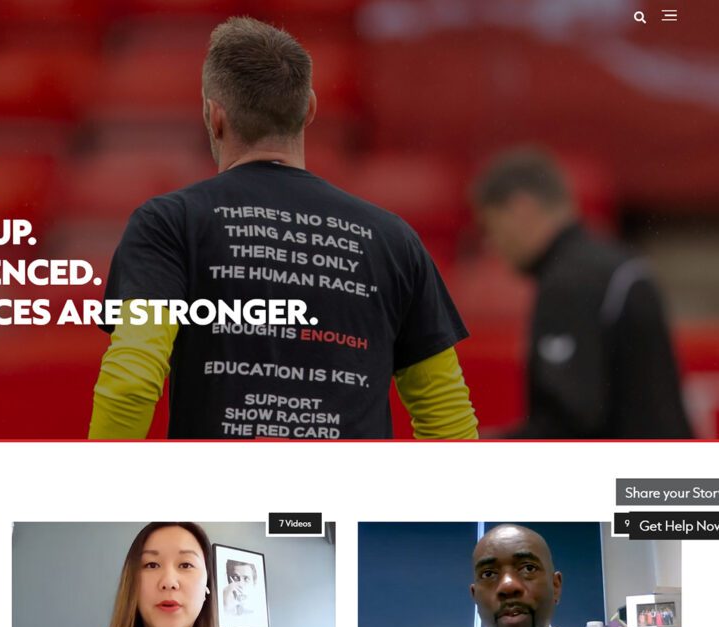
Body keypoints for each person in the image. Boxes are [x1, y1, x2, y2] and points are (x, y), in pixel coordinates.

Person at [89, 17, 477, 440]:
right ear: (309, 108)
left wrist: (109, 496)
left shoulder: (169, 224)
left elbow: (132, 380)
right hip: (345, 504)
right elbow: (446, 415)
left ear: (214, 116)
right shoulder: (393, 239)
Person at [473, 148, 692, 438]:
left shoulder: (567, 283)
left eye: (491, 226)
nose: (491, 244)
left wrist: (485, 449)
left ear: (520, 209)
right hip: (672, 476)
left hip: (624, 477)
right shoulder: (621, 263)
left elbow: (570, 419)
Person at [399, 525, 649, 627]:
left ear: (556, 586)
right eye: (489, 574)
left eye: (528, 568)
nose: (508, 586)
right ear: (475, 597)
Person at [55, 522, 268, 627]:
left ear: (207, 586)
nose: (168, 581)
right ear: (132, 585)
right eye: (151, 565)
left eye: (185, 565)